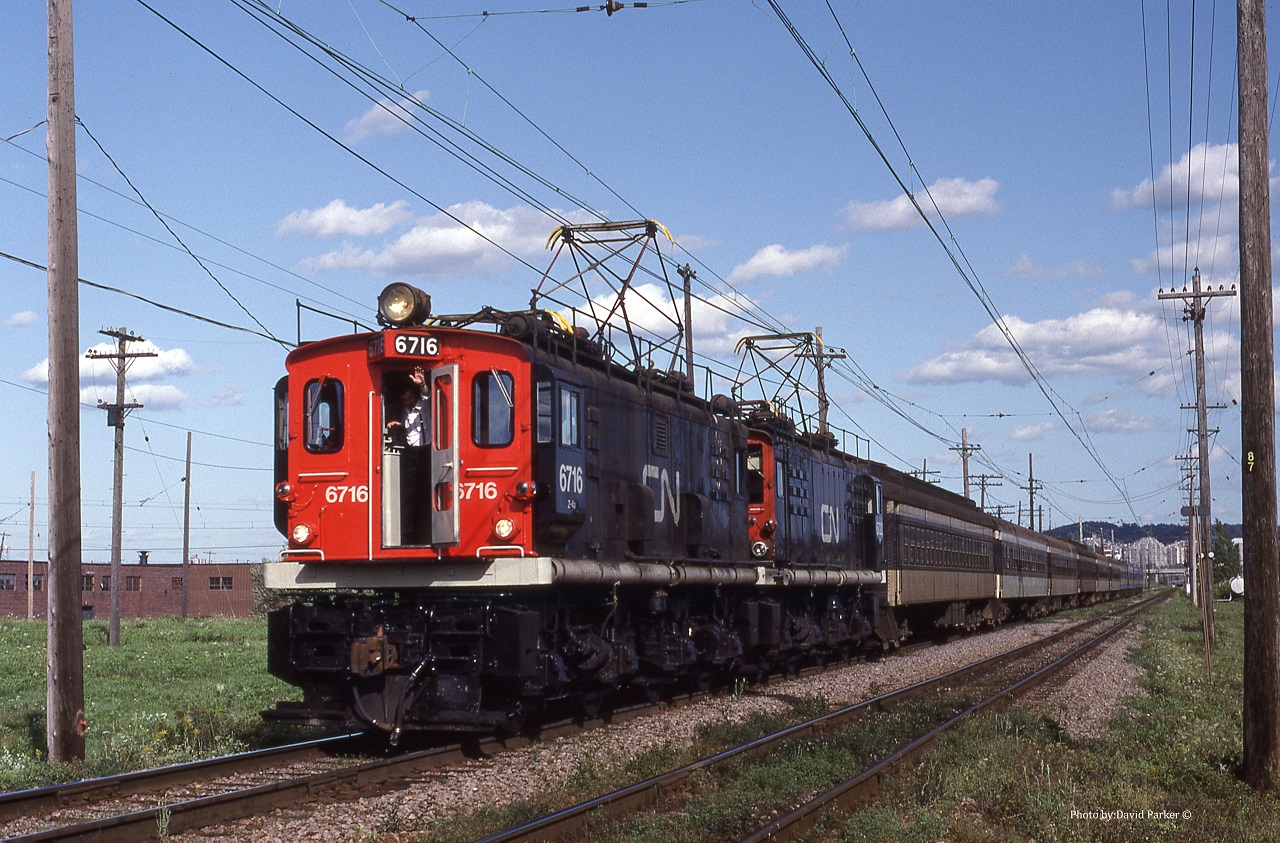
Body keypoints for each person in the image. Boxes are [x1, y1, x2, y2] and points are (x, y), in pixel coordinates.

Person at [387, 367, 430, 544]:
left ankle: (427, 533)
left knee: (426, 492)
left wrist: (423, 384)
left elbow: (426, 394)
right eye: (405, 400)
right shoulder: (403, 411)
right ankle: (407, 535)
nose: (408, 402)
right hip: (411, 453)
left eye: (410, 398)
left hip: (427, 451)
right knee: (410, 494)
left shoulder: (424, 405)